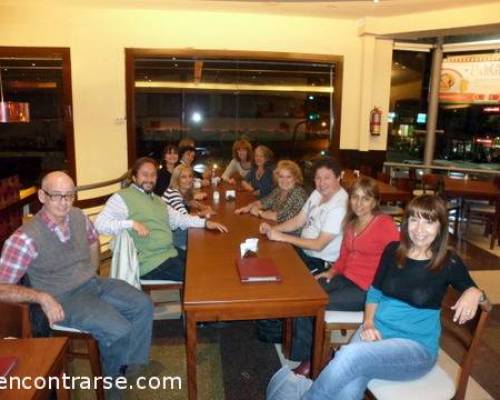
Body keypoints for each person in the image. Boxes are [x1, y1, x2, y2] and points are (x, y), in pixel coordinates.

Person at [267, 195, 490, 400]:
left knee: (349, 356)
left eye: (428, 222)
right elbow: (374, 291)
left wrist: (475, 292)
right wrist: (368, 322)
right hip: (375, 332)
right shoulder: (393, 250)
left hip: (415, 349)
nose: (419, 229)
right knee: (349, 384)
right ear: (406, 223)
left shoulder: (448, 263)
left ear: (441, 226)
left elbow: (486, 303)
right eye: (414, 220)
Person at [0, 171, 154, 378]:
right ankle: (113, 385)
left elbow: (92, 241)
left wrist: (91, 270)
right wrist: (41, 297)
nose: (64, 202)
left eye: (70, 195)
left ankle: (130, 363)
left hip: (92, 283)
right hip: (63, 298)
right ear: (42, 196)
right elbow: (2, 288)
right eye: (56, 195)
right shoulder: (24, 238)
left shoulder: (78, 216)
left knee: (143, 305)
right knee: (119, 330)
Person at [289, 177, 400, 375]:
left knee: (315, 304)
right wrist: (331, 271)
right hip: (345, 279)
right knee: (304, 297)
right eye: (355, 197)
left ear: (375, 202)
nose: (359, 203)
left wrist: (386, 293)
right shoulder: (351, 224)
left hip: (367, 289)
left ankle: (313, 360)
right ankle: (309, 351)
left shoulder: (384, 224)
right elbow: (344, 255)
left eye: (366, 199)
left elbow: (398, 260)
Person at [95, 157, 227, 282]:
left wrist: (205, 223)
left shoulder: (157, 200)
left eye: (153, 175)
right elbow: (99, 224)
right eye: (145, 174)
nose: (149, 179)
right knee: (199, 276)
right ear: (134, 177)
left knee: (206, 263)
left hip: (169, 251)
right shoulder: (122, 197)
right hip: (150, 262)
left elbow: (180, 219)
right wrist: (131, 224)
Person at [260, 158, 348, 275]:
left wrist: (282, 237)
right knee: (268, 261)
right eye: (318, 178)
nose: (321, 183)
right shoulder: (317, 193)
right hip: (304, 252)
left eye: (327, 178)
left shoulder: (339, 207)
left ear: (338, 178)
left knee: (279, 274)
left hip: (319, 262)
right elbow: (298, 221)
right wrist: (273, 229)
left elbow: (318, 245)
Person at [235, 160, 307, 229]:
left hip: (292, 235)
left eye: (289, 177)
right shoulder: (278, 190)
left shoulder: (299, 193)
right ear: (277, 177)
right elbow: (263, 202)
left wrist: (260, 213)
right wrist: (248, 207)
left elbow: (280, 217)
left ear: (296, 178)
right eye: (281, 176)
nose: (284, 180)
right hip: (276, 228)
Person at [162, 164, 215, 249]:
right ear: (177, 180)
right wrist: (202, 213)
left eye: (190, 176)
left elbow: (189, 202)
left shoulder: (179, 191)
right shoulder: (173, 193)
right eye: (184, 177)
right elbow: (185, 218)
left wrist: (202, 206)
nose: (188, 180)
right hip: (171, 239)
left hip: (174, 233)